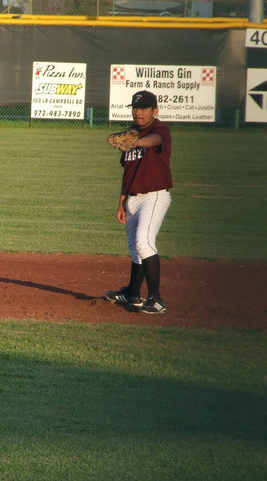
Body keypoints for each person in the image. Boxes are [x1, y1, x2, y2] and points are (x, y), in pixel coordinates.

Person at [104, 90, 172, 314]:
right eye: (135, 108)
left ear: (155, 111)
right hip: (132, 198)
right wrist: (122, 201)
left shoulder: (159, 129)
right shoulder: (131, 133)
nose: (138, 112)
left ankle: (156, 299)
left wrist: (137, 142)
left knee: (144, 242)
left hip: (154, 196)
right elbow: (128, 171)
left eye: (143, 108)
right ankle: (132, 294)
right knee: (135, 249)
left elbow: (156, 140)